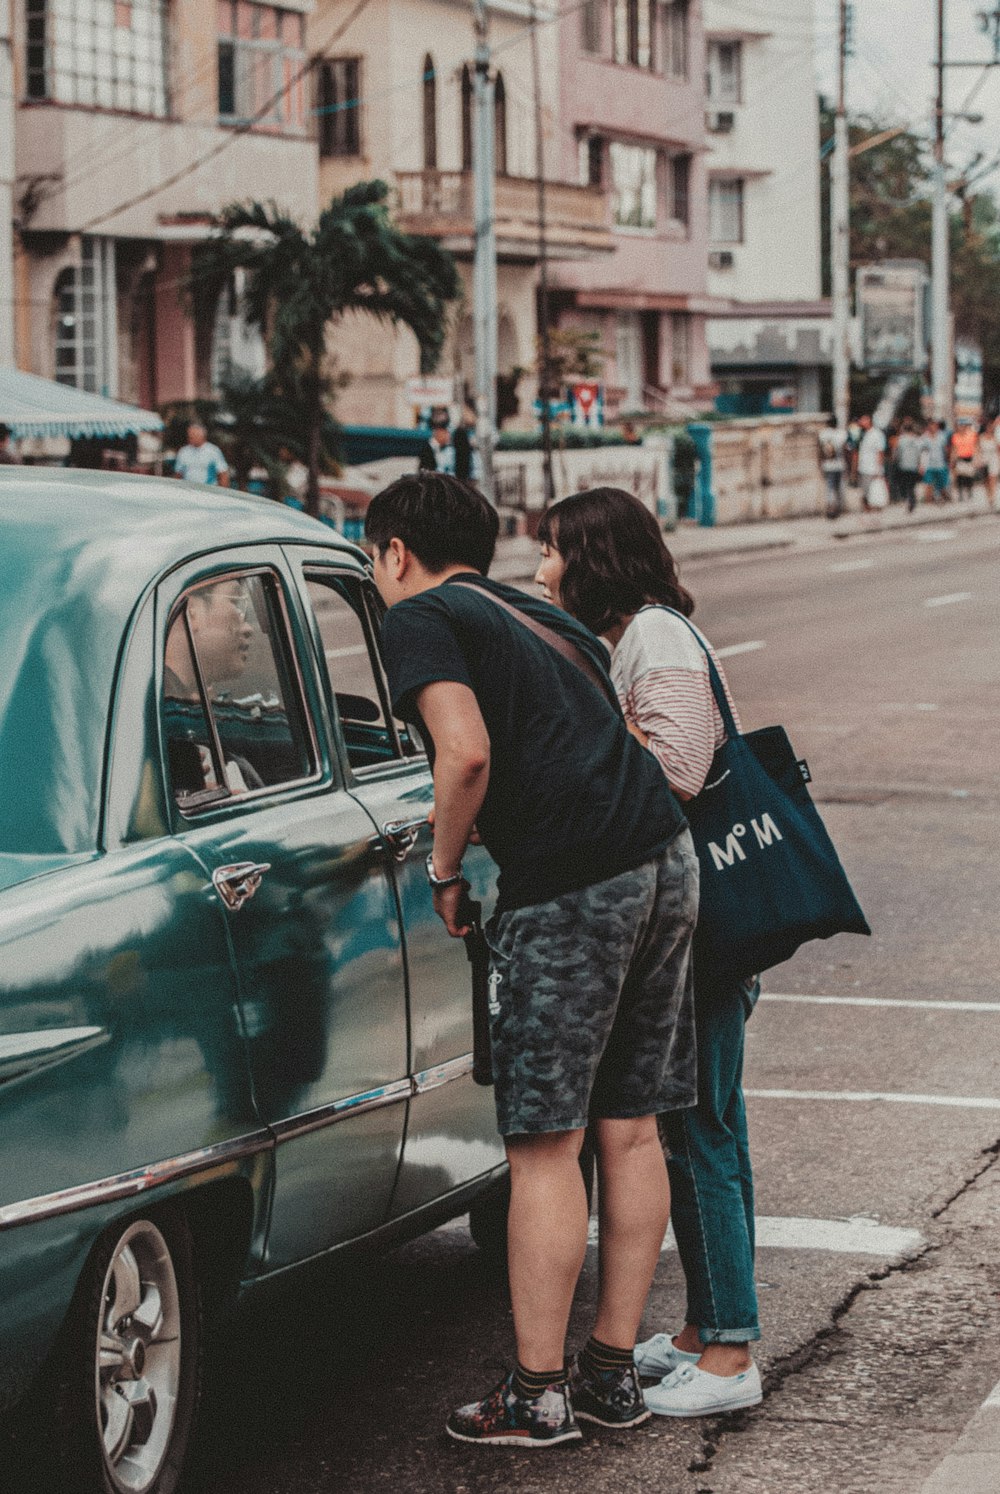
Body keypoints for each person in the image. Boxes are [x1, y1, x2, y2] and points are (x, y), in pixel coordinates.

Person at [365, 472, 699, 1448]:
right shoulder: (529, 606)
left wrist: (442, 866)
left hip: (574, 881)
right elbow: (612, 725)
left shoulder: (420, 613)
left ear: (392, 552)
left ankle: (536, 1396)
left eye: (372, 557)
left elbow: (461, 753)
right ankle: (607, 1376)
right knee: (629, 1127)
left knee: (544, 1142)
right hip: (660, 859)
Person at [535, 487, 763, 1421]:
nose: (541, 569)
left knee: (699, 1132)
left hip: (701, 923)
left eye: (551, 552)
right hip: (693, 920)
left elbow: (677, 765)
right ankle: (711, 1327)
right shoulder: (640, 636)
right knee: (702, 1125)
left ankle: (732, 1352)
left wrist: (582, 727)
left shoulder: (654, 638)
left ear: (592, 561)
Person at [173, 422, 230, 487]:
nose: (190, 437)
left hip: (208, 490)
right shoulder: (183, 451)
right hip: (188, 489)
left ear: (202, 436)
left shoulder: (213, 451)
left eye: (193, 435)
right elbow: (178, 474)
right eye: (189, 435)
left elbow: (223, 474)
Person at [817, 416, 847, 519]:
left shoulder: (823, 434)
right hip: (839, 464)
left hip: (827, 465)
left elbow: (820, 450)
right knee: (838, 488)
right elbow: (844, 450)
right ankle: (837, 508)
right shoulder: (841, 434)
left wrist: (820, 463)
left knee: (829, 488)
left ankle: (830, 508)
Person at [855, 415, 886, 510]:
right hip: (863, 468)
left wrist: (878, 469)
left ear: (869, 420)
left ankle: (873, 512)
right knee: (865, 492)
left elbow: (880, 452)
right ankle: (867, 511)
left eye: (863, 419)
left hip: (872, 469)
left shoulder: (877, 434)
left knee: (873, 493)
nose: (860, 422)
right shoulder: (863, 434)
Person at [894, 418, 923, 513]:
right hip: (914, 466)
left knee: (904, 485)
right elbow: (920, 454)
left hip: (903, 465)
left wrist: (896, 461)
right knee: (912, 486)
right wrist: (920, 465)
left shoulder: (901, 440)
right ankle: (912, 501)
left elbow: (897, 453)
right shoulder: (917, 440)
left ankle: (907, 501)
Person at [920, 419, 951, 503]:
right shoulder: (924, 437)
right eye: (930, 425)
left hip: (941, 464)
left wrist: (948, 461)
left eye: (933, 425)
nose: (932, 427)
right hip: (928, 465)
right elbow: (922, 452)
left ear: (936, 426)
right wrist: (921, 465)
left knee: (942, 484)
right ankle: (928, 502)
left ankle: (945, 497)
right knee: (928, 484)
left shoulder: (942, 436)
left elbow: (945, 450)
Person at [950, 418, 978, 501]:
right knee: (960, 477)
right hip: (960, 458)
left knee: (969, 477)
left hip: (969, 457)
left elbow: (976, 447)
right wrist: (952, 460)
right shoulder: (955, 436)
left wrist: (976, 458)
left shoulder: (972, 435)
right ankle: (960, 494)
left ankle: (969, 492)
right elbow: (954, 449)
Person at [980, 418, 1000, 511]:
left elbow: (998, 450)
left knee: (992, 479)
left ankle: (992, 498)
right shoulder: (981, 437)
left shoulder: (995, 438)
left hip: (993, 460)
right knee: (986, 481)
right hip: (984, 460)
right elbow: (977, 449)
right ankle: (989, 496)